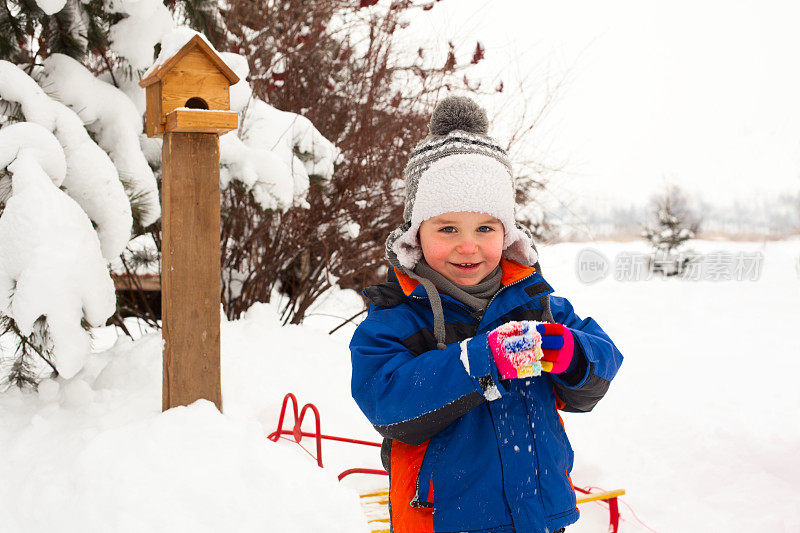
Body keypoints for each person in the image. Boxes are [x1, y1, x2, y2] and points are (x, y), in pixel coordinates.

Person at [349, 96, 623, 533]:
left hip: (538, 516)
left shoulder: (536, 304)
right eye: (447, 228)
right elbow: (388, 403)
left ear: (506, 232)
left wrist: (572, 354)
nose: (468, 245)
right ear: (416, 235)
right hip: (443, 521)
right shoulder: (397, 318)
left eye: (485, 228)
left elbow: (602, 363)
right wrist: (483, 359)